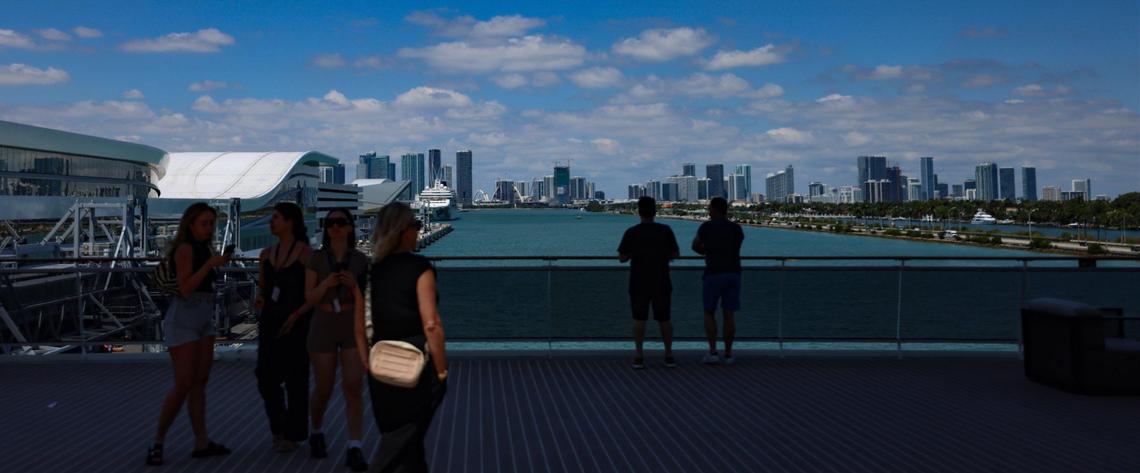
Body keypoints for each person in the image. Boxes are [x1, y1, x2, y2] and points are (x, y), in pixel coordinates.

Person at [359, 202, 448, 473]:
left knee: (410, 448)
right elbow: (431, 324)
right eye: (416, 225)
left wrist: (367, 363)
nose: (419, 231)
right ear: (402, 231)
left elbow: (358, 325)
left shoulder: (371, 270)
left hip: (381, 365)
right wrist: (442, 371)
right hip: (417, 366)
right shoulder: (419, 268)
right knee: (400, 441)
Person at [146, 202, 232, 466]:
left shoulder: (204, 248)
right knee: (184, 383)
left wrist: (214, 261)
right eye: (204, 223)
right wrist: (210, 265)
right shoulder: (185, 249)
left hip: (203, 318)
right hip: (184, 317)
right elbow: (185, 289)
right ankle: (158, 441)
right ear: (191, 225)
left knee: (199, 382)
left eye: (211, 224)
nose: (209, 229)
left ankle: (201, 441)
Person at [305, 209, 370, 471]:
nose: (335, 227)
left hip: (350, 323)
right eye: (330, 223)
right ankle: (317, 430)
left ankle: (355, 445)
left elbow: (367, 299)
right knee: (324, 387)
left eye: (340, 223)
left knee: (353, 385)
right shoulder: (316, 259)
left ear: (350, 228)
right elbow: (309, 298)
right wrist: (327, 283)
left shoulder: (361, 260)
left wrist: (353, 285)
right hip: (323, 323)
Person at [255, 202, 315, 452]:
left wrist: (297, 314)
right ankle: (278, 426)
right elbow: (263, 288)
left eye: (276, 218)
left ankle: (293, 433)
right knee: (265, 377)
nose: (271, 222)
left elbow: (311, 294)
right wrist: (259, 299)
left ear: (290, 222)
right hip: (270, 321)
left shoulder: (305, 254)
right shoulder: (266, 254)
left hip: (298, 323)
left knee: (296, 379)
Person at [618, 196, 680, 370]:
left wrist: (634, 253)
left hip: (638, 281)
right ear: (655, 212)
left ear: (639, 212)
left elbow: (622, 258)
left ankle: (639, 356)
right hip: (662, 281)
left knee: (639, 319)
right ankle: (669, 355)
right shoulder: (665, 230)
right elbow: (675, 254)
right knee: (665, 319)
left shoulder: (632, 232)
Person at [692, 196, 745, 365]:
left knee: (709, 312)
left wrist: (708, 252)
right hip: (733, 273)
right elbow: (737, 246)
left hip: (713, 273)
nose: (708, 211)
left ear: (714, 210)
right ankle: (728, 354)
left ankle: (713, 352)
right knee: (729, 314)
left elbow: (695, 245)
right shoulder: (736, 228)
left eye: (709, 209)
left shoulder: (706, 227)